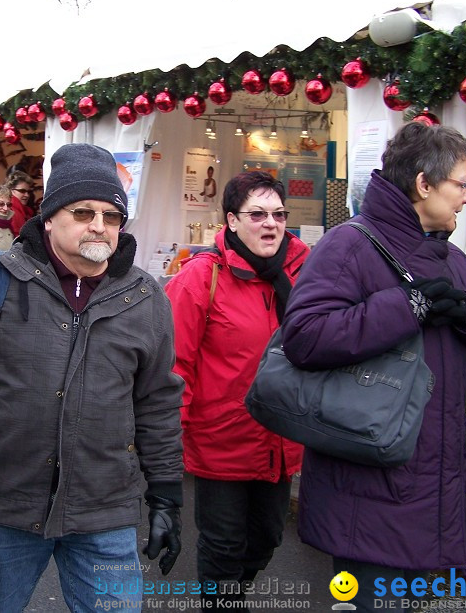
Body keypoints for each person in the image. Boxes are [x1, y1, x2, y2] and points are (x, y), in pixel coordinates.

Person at [0, 143, 184, 611]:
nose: (99, 225)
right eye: (83, 212)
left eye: (112, 216)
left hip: (105, 508)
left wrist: (166, 495)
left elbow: (156, 400)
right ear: (49, 217)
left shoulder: (145, 298)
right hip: (5, 503)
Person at [279, 122, 466, 613]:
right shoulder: (349, 245)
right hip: (369, 487)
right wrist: (407, 307)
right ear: (424, 184)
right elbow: (305, 337)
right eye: (462, 184)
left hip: (433, 482)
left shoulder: (451, 258)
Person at [165, 171, 309, 609]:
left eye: (279, 214)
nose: (271, 223)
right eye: (258, 214)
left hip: (280, 441)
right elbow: (175, 367)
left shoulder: (303, 273)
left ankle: (232, 596)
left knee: (266, 539)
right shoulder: (201, 277)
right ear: (231, 220)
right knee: (223, 546)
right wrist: (168, 445)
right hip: (220, 443)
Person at [6, 169, 35, 236]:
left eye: (28, 192)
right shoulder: (10, 211)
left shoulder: (25, 211)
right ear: (11, 190)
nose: (27, 195)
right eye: (22, 191)